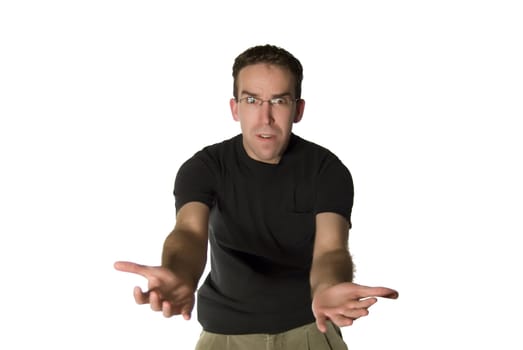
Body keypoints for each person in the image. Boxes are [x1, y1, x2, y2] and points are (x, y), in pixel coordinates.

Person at [114, 44, 398, 350]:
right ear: (235, 108)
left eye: (279, 101)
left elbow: (331, 250)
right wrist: (179, 272)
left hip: (309, 326)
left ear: (298, 110)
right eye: (252, 100)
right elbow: (188, 232)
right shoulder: (204, 167)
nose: (266, 118)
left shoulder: (326, 170)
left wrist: (329, 287)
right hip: (224, 333)